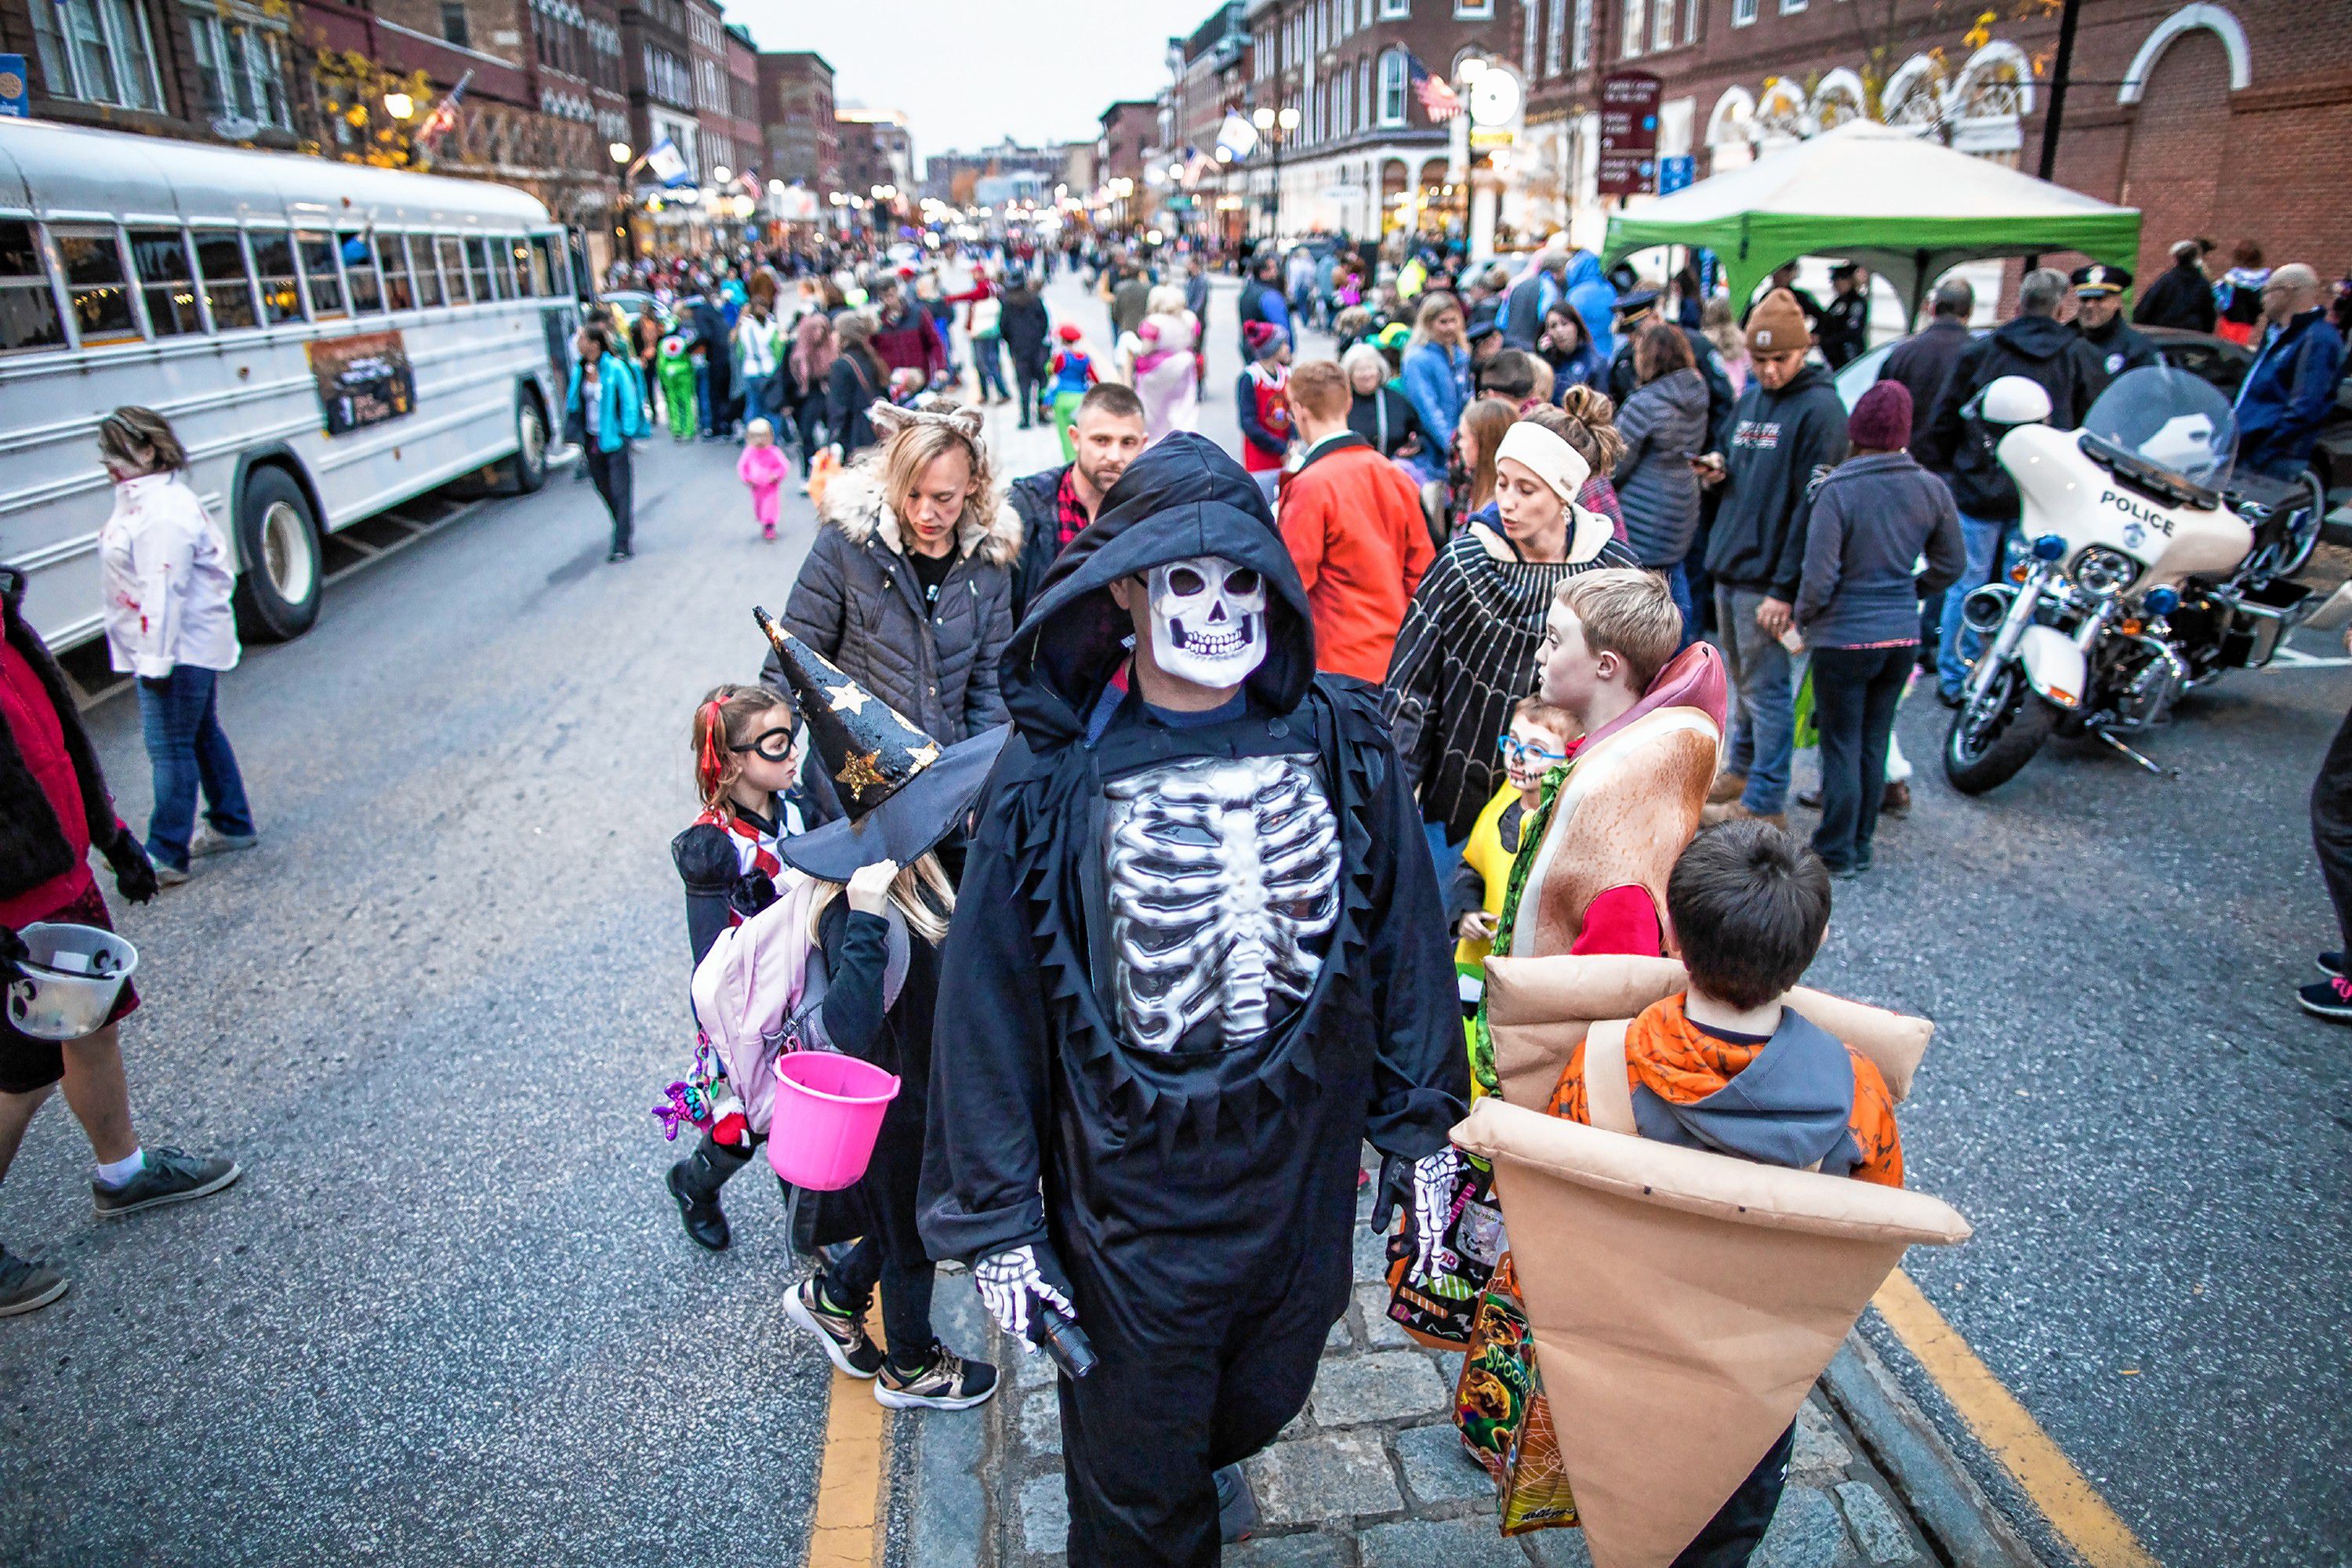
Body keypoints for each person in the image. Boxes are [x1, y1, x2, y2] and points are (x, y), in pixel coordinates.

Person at [919, 431, 1471, 1568]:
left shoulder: (1339, 741)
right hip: (1130, 1206)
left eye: (1241, 582)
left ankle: (1182, 1466)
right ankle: (1151, 1501)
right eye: (1184, 581)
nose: (1217, 611)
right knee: (1135, 1488)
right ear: (1125, 587)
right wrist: (1000, 1223)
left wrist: (1421, 1126)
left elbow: (1400, 935)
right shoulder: (1053, 774)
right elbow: (988, 1002)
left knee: (1263, 1389)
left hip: (1295, 1184)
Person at [1540, 818, 1902, 1560]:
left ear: (1671, 930)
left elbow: (1553, 1209)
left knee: (1616, 1514)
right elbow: (1869, 1231)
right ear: (1817, 944)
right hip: (1750, 1391)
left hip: (1618, 1362)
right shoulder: (1856, 1093)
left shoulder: (1604, 1061)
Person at [766, 633, 1007, 1411]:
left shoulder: (938, 867)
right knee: (911, 1242)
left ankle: (835, 1296)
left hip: (926, 1101)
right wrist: (866, 917)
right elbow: (852, 1024)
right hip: (890, 1120)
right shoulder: (859, 907)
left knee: (896, 1223)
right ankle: (911, 1364)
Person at [0, 563, 239, 1317]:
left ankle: (123, 1171)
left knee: (94, 1028)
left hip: (57, 869)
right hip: (13, 893)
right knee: (25, 1073)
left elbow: (58, 739)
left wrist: (109, 834)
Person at [1385, 415, 1641, 861]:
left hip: (1577, 794)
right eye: (1502, 483)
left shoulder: (1613, 570)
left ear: (1563, 495)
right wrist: (1395, 796)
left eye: (1527, 489)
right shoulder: (1463, 565)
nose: (1507, 501)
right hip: (1464, 789)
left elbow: (1638, 690)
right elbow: (1412, 692)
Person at [1485, 568, 1725, 985]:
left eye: (1555, 641)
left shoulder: (1619, 807)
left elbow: (1610, 988)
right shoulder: (1594, 763)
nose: (1540, 655)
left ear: (1606, 665)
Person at [769, 402, 1019, 746]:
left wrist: (977, 776)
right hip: (850, 781)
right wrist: (766, 740)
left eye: (943, 497)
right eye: (911, 493)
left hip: (943, 778)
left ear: (972, 484)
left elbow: (990, 688)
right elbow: (796, 653)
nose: (924, 513)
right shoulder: (847, 545)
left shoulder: (989, 562)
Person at [1794, 383, 1966, 877]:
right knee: (1874, 736)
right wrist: (1912, 588)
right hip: (1901, 636)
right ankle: (1861, 843)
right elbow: (1952, 562)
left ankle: (1835, 849)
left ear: (1857, 430)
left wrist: (1805, 617)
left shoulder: (1839, 488)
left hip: (1844, 636)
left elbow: (1819, 576)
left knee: (1842, 742)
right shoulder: (1930, 487)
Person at [1915, 268, 2106, 705]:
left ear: (2018, 305)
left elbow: (1944, 418)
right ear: (2061, 308)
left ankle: (1958, 676)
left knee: (1969, 585)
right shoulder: (2077, 357)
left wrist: (1954, 468)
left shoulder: (1983, 352)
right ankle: (2010, 680)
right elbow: (2093, 432)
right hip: (2038, 495)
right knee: (2025, 589)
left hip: (1981, 487)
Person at [1697, 289, 1850, 828]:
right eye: (1758, 360)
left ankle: (1764, 800)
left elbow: (1813, 509)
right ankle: (1741, 770)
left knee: (1767, 692)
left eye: (1778, 360)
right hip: (1733, 561)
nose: (1767, 371)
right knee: (1745, 685)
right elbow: (1736, 453)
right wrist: (1719, 469)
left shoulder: (1823, 409)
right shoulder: (1753, 398)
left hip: (1768, 577)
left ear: (1802, 352)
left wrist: (1786, 590)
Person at [663, 682, 808, 1250]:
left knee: (801, 1108)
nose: (792, 752)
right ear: (732, 763)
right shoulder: (713, 846)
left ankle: (812, 1228)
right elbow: (710, 962)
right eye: (774, 744)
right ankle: (694, 1184)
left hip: (801, 986)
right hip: (740, 1005)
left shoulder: (798, 807)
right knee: (741, 1129)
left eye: (790, 737)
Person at [93, 408, 259, 881]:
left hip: (175, 649)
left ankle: (165, 853)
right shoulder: (151, 501)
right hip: (183, 646)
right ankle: (232, 823)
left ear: (147, 449)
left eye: (115, 449)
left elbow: (163, 592)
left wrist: (154, 662)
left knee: (169, 748)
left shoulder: (161, 512)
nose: (107, 461)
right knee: (201, 734)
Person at [1277, 360, 1436, 683]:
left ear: (1298, 410)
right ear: (1348, 402)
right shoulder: (1396, 475)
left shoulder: (1310, 486)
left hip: (1336, 665)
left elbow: (1292, 584)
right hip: (1396, 657)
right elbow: (1423, 570)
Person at [1449, 695, 1577, 1016]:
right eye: (1513, 744)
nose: (1517, 760)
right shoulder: (1504, 798)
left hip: (1529, 980)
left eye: (1535, 751)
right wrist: (1466, 912)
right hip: (1475, 967)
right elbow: (1473, 867)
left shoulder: (1565, 824)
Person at [1005, 383, 1149, 622]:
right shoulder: (1029, 506)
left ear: (1142, 445)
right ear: (1075, 438)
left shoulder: (1150, 511)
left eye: (1127, 443)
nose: (1114, 456)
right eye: (1101, 440)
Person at [1613, 324, 1711, 641]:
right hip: (1683, 503)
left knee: (1641, 597)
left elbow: (1615, 463)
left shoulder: (1645, 403)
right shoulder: (1697, 393)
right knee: (1674, 580)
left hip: (1644, 511)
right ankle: (1685, 656)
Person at [2234, 263, 2347, 481]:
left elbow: (2304, 409)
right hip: (2244, 450)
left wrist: (2261, 456)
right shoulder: (2275, 334)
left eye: (2266, 291)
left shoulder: (2317, 339)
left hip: (2270, 461)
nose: (2262, 299)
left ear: (2287, 291)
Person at [1877, 278, 1974, 450]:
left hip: (1906, 460)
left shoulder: (1903, 353)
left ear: (1933, 308)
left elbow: (1880, 409)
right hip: (1953, 466)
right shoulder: (1979, 357)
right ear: (1969, 312)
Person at [1402, 292, 1473, 485]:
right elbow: (1427, 409)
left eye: (1454, 320)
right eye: (1443, 322)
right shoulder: (1417, 359)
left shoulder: (1460, 354)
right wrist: (1452, 446)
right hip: (1432, 457)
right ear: (1428, 323)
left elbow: (1468, 398)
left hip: (1461, 446)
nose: (1450, 327)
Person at [1123, 285, 1201, 445]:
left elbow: (1146, 349)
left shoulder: (1154, 322)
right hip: (1185, 366)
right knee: (1184, 407)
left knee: (1153, 411)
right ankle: (1184, 440)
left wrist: (1132, 345)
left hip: (1156, 370)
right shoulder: (1189, 319)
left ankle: (1153, 440)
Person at [2070, 265, 2158, 388]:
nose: (2090, 305)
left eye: (2100, 299)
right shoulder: (2064, 340)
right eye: (2085, 299)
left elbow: (2150, 396)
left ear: (2117, 301)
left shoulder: (2136, 347)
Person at [1236, 321, 1294, 506]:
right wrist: (1280, 447)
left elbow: (1293, 412)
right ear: (1272, 349)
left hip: (1286, 457)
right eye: (1283, 344)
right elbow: (1248, 424)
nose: (1287, 348)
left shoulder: (1287, 375)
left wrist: (1292, 440)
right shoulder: (1251, 378)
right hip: (1260, 459)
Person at [1342, 342, 1421, 461]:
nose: (1366, 375)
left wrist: (1415, 446)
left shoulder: (1397, 401)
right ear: (1350, 375)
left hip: (1392, 468)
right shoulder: (1341, 403)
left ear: (1379, 371)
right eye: (1360, 370)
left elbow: (1421, 433)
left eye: (1370, 368)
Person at [825, 317, 888, 462]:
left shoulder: (841, 366)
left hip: (857, 438)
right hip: (876, 432)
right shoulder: (870, 357)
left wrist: (833, 441)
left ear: (843, 336)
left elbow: (839, 409)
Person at [786, 311, 838, 478]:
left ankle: (829, 468)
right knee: (806, 434)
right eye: (815, 330)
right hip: (807, 395)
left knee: (834, 432)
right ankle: (807, 472)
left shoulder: (831, 347)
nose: (819, 334)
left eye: (822, 330)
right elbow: (785, 377)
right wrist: (786, 403)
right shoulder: (796, 349)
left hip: (828, 394)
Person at [1000, 274, 1053, 430]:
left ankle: (1025, 418)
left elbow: (1003, 327)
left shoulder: (1007, 303)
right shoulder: (1035, 299)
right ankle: (1041, 415)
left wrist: (1011, 343)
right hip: (1037, 347)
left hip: (1019, 349)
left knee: (1024, 384)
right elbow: (1045, 322)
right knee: (1042, 381)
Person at [872, 280, 949, 386]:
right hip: (893, 382)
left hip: (920, 378)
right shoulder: (878, 321)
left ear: (897, 291)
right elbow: (872, 350)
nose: (888, 300)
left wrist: (940, 368)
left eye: (891, 295)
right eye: (884, 297)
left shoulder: (918, 314)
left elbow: (935, 342)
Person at [1046, 324, 1103, 463]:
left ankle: (1071, 461)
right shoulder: (1085, 358)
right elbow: (1094, 378)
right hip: (1081, 398)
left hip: (1063, 398)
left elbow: (1052, 372)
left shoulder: (1060, 357)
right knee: (1083, 431)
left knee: (1066, 434)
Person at [2136, 240, 2220, 333]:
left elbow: (2145, 308)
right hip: (2192, 337)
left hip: (2164, 335)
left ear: (2176, 259)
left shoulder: (2165, 281)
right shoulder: (2203, 284)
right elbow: (2209, 315)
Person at [688, 290, 736, 441]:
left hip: (716, 357)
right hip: (726, 355)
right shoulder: (713, 312)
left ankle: (717, 427)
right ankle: (727, 425)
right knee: (724, 393)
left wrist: (689, 348)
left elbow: (705, 335)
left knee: (714, 394)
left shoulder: (700, 315)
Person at [734, 297, 786, 429]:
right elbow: (778, 351)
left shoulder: (744, 327)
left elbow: (740, 352)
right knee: (772, 407)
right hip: (769, 370)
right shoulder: (772, 327)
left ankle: (752, 436)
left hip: (750, 370)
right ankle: (772, 438)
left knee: (753, 406)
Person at [1540, 303, 1607, 400]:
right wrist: (1542, 356)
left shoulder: (1595, 364)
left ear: (1576, 326)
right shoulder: (1546, 364)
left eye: (1565, 323)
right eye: (1553, 326)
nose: (1559, 331)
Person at [739, 418, 790, 543]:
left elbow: (784, 466)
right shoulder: (749, 452)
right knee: (759, 507)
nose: (760, 441)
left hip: (770, 487)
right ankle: (764, 523)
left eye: (763, 437)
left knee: (770, 507)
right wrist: (747, 478)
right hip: (756, 488)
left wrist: (776, 475)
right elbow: (742, 467)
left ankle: (769, 526)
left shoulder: (774, 452)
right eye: (756, 437)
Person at [2214, 241, 2270, 347]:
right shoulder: (2266, 279)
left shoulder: (2230, 279)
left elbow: (2218, 301)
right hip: (2254, 327)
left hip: (2230, 325)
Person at [967, 274, 1010, 406]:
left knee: (987, 365)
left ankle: (1003, 392)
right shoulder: (993, 301)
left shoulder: (989, 303)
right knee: (982, 365)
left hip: (983, 336)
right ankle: (985, 393)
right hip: (984, 335)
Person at [1817, 263, 1871, 370]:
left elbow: (1851, 331)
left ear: (1848, 281)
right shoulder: (1838, 302)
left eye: (1837, 280)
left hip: (1849, 356)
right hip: (1833, 357)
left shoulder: (1856, 303)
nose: (1834, 285)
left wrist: (1824, 340)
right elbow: (1825, 321)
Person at [1237, 252, 1291, 352]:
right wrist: (1288, 349)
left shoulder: (1247, 292)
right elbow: (1282, 329)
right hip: (1270, 354)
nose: (1276, 272)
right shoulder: (1270, 296)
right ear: (1263, 273)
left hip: (1250, 349)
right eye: (1273, 269)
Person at [656, 327, 699, 443]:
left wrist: (663, 380)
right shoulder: (683, 342)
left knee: (673, 403)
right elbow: (689, 361)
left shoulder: (662, 344)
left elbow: (661, 365)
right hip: (684, 375)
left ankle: (677, 429)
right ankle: (689, 429)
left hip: (670, 377)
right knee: (687, 402)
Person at [1111, 262, 1152, 342]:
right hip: (1143, 328)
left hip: (1125, 328)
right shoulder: (1148, 288)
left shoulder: (1119, 288)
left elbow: (1115, 313)